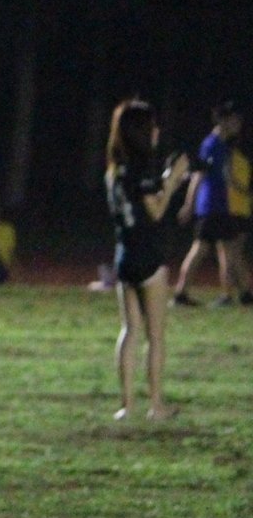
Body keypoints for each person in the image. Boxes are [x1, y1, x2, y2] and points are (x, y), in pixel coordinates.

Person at [105, 98, 191, 422]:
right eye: (152, 126)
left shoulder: (114, 171)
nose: (156, 131)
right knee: (155, 336)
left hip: (124, 255)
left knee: (129, 330)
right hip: (148, 256)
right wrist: (172, 180)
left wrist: (164, 181)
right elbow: (155, 211)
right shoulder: (140, 169)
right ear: (140, 132)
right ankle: (156, 406)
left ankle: (126, 406)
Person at [172, 101, 251, 307]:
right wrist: (189, 205)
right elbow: (198, 175)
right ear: (223, 121)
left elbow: (226, 176)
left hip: (221, 206)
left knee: (231, 249)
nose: (238, 124)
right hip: (211, 206)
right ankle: (180, 293)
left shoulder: (223, 145)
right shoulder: (212, 144)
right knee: (201, 249)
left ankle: (246, 294)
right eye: (234, 120)